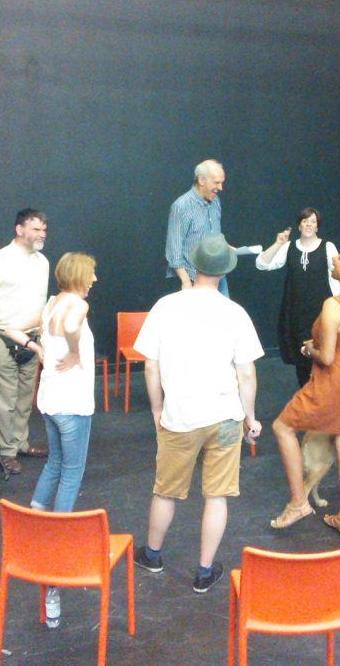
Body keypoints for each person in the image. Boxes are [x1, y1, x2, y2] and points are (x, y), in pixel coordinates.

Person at [133, 234, 264, 594]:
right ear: (224, 271)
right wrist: (250, 418)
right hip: (225, 418)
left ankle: (153, 554)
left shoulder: (165, 306)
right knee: (217, 495)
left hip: (180, 417)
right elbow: (246, 373)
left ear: (195, 265)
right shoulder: (234, 313)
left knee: (166, 491)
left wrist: (157, 408)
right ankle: (204, 572)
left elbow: (150, 366)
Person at [4, 252, 98, 630]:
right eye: (91, 274)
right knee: (72, 472)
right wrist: (74, 350)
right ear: (79, 276)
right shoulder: (77, 304)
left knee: (55, 464)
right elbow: (74, 324)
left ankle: (38, 522)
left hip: (50, 401)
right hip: (73, 405)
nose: (95, 279)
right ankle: (57, 543)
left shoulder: (50, 304)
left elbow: (11, 326)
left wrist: (39, 348)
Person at [270, 245, 340, 538]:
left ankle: (298, 503)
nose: (333, 258)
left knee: (282, 427)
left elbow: (328, 357)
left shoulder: (334, 305)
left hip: (334, 383)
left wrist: (310, 348)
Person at [0, 208, 50, 475]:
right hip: (2, 336)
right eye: (36, 229)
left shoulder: (43, 262)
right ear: (19, 230)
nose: (42, 234)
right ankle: (5, 452)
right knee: (5, 400)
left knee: (24, 397)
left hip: (31, 339)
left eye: (43, 229)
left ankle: (20, 443)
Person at [256, 207, 340, 387]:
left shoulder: (328, 247)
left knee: (321, 357)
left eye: (313, 222)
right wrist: (278, 243)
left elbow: (337, 280)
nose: (309, 225)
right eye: (305, 221)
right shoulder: (289, 247)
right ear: (299, 225)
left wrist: (339, 306)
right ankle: (306, 398)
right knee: (301, 359)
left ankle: (320, 400)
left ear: (318, 227)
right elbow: (262, 264)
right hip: (295, 313)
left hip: (320, 312)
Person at [165, 159, 230, 296]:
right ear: (201, 180)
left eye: (222, 182)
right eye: (216, 182)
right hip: (193, 281)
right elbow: (174, 251)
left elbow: (214, 237)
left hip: (218, 278)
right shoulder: (181, 206)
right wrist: (186, 282)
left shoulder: (215, 201)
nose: (220, 188)